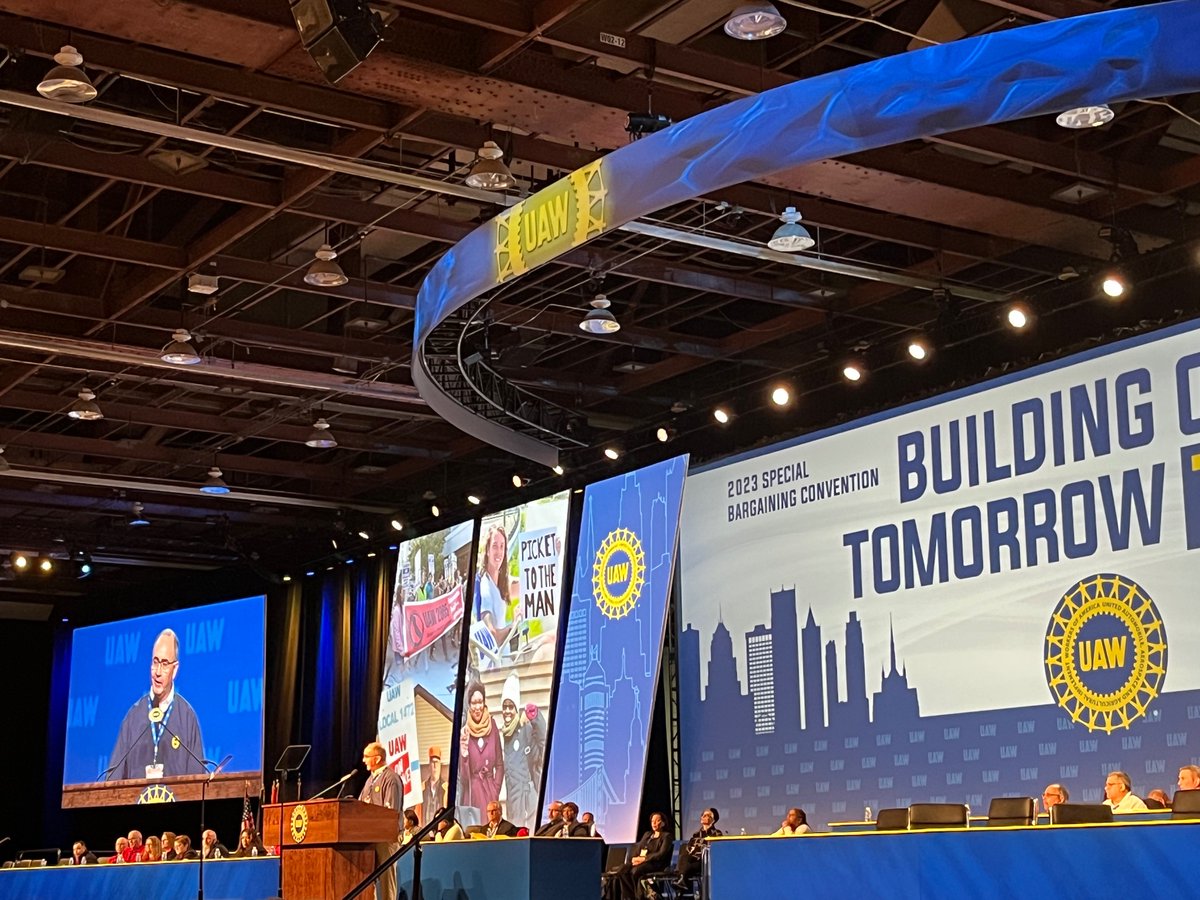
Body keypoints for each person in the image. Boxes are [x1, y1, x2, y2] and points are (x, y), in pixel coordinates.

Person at [108, 628, 206, 780]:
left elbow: (197, 781)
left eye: (165, 664)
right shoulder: (133, 717)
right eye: (155, 662)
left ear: (175, 670)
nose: (158, 672)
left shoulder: (187, 717)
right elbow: (112, 779)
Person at [498, 672, 546, 829]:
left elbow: (542, 747)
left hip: (526, 795)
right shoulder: (505, 733)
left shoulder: (525, 729)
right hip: (513, 798)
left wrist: (536, 719)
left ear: (516, 708)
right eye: (504, 707)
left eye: (510, 707)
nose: (507, 711)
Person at [358, 741, 401, 900]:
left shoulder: (391, 779)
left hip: (385, 838)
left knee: (386, 879)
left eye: (366, 757)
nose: (363, 760)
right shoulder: (370, 780)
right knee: (368, 880)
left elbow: (391, 811)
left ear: (376, 759)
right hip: (369, 837)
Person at [459, 680, 503, 823]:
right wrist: (464, 753)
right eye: (474, 703)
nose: (477, 707)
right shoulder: (465, 732)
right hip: (472, 796)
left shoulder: (493, 725)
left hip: (489, 794)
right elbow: (464, 779)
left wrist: (495, 790)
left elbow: (500, 765)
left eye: (480, 702)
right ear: (469, 705)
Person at [608, 812, 672, 900]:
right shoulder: (647, 834)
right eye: (652, 821)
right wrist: (635, 858)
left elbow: (661, 854)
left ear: (663, 823)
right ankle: (629, 896)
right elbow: (638, 848)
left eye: (657, 821)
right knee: (623, 869)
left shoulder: (666, 836)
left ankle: (638, 896)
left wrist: (644, 859)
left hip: (655, 864)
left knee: (636, 871)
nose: (654, 823)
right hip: (641, 862)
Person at [676, 808, 722, 886]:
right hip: (691, 860)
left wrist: (696, 850)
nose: (703, 816)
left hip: (704, 861)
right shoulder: (696, 834)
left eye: (707, 815)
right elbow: (689, 847)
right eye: (702, 815)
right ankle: (681, 882)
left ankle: (681, 882)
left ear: (713, 820)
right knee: (684, 858)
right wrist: (693, 850)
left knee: (685, 867)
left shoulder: (717, 833)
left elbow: (713, 849)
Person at [421, 746, 448, 819]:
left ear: (440, 765)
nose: (435, 766)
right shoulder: (422, 788)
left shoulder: (446, 788)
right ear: (429, 765)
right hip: (425, 828)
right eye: (433, 762)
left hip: (440, 828)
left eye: (437, 762)